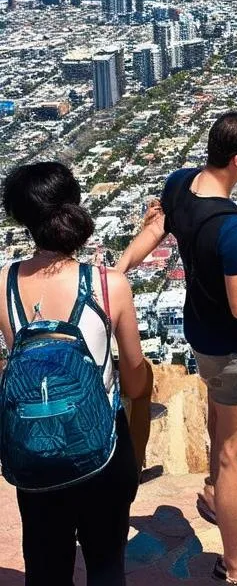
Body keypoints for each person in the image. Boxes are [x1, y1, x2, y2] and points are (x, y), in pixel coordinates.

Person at [118, 110, 237, 586]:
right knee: (235, 450)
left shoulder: (179, 184)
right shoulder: (233, 228)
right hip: (231, 348)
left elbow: (154, 232)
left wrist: (120, 267)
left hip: (199, 334)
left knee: (218, 416)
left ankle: (215, 493)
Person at [0, 161, 150, 586]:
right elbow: (136, 382)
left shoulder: (3, 283)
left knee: (46, 568)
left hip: (35, 449)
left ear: (23, 220)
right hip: (102, 448)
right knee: (105, 566)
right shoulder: (108, 285)